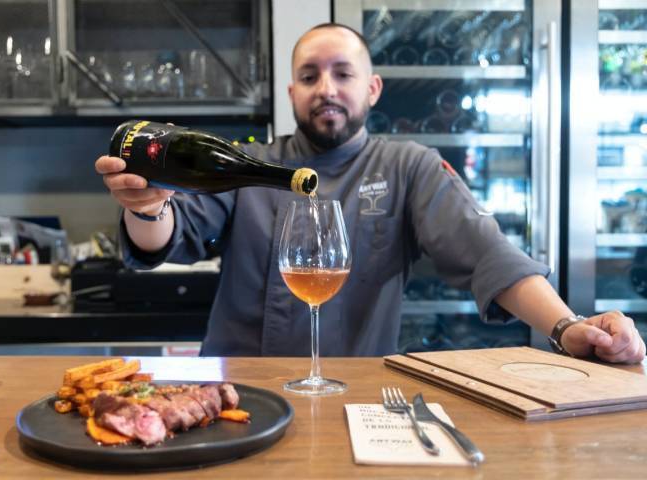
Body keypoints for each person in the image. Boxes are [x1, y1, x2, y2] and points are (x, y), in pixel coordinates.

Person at [95, 23, 645, 363]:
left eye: (343, 73)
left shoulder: (409, 166)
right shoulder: (253, 161)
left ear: (372, 88)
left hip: (356, 396)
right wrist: (148, 206)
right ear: (292, 93)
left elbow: (489, 255)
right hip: (239, 389)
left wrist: (567, 327)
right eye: (309, 76)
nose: (326, 89)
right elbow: (170, 234)